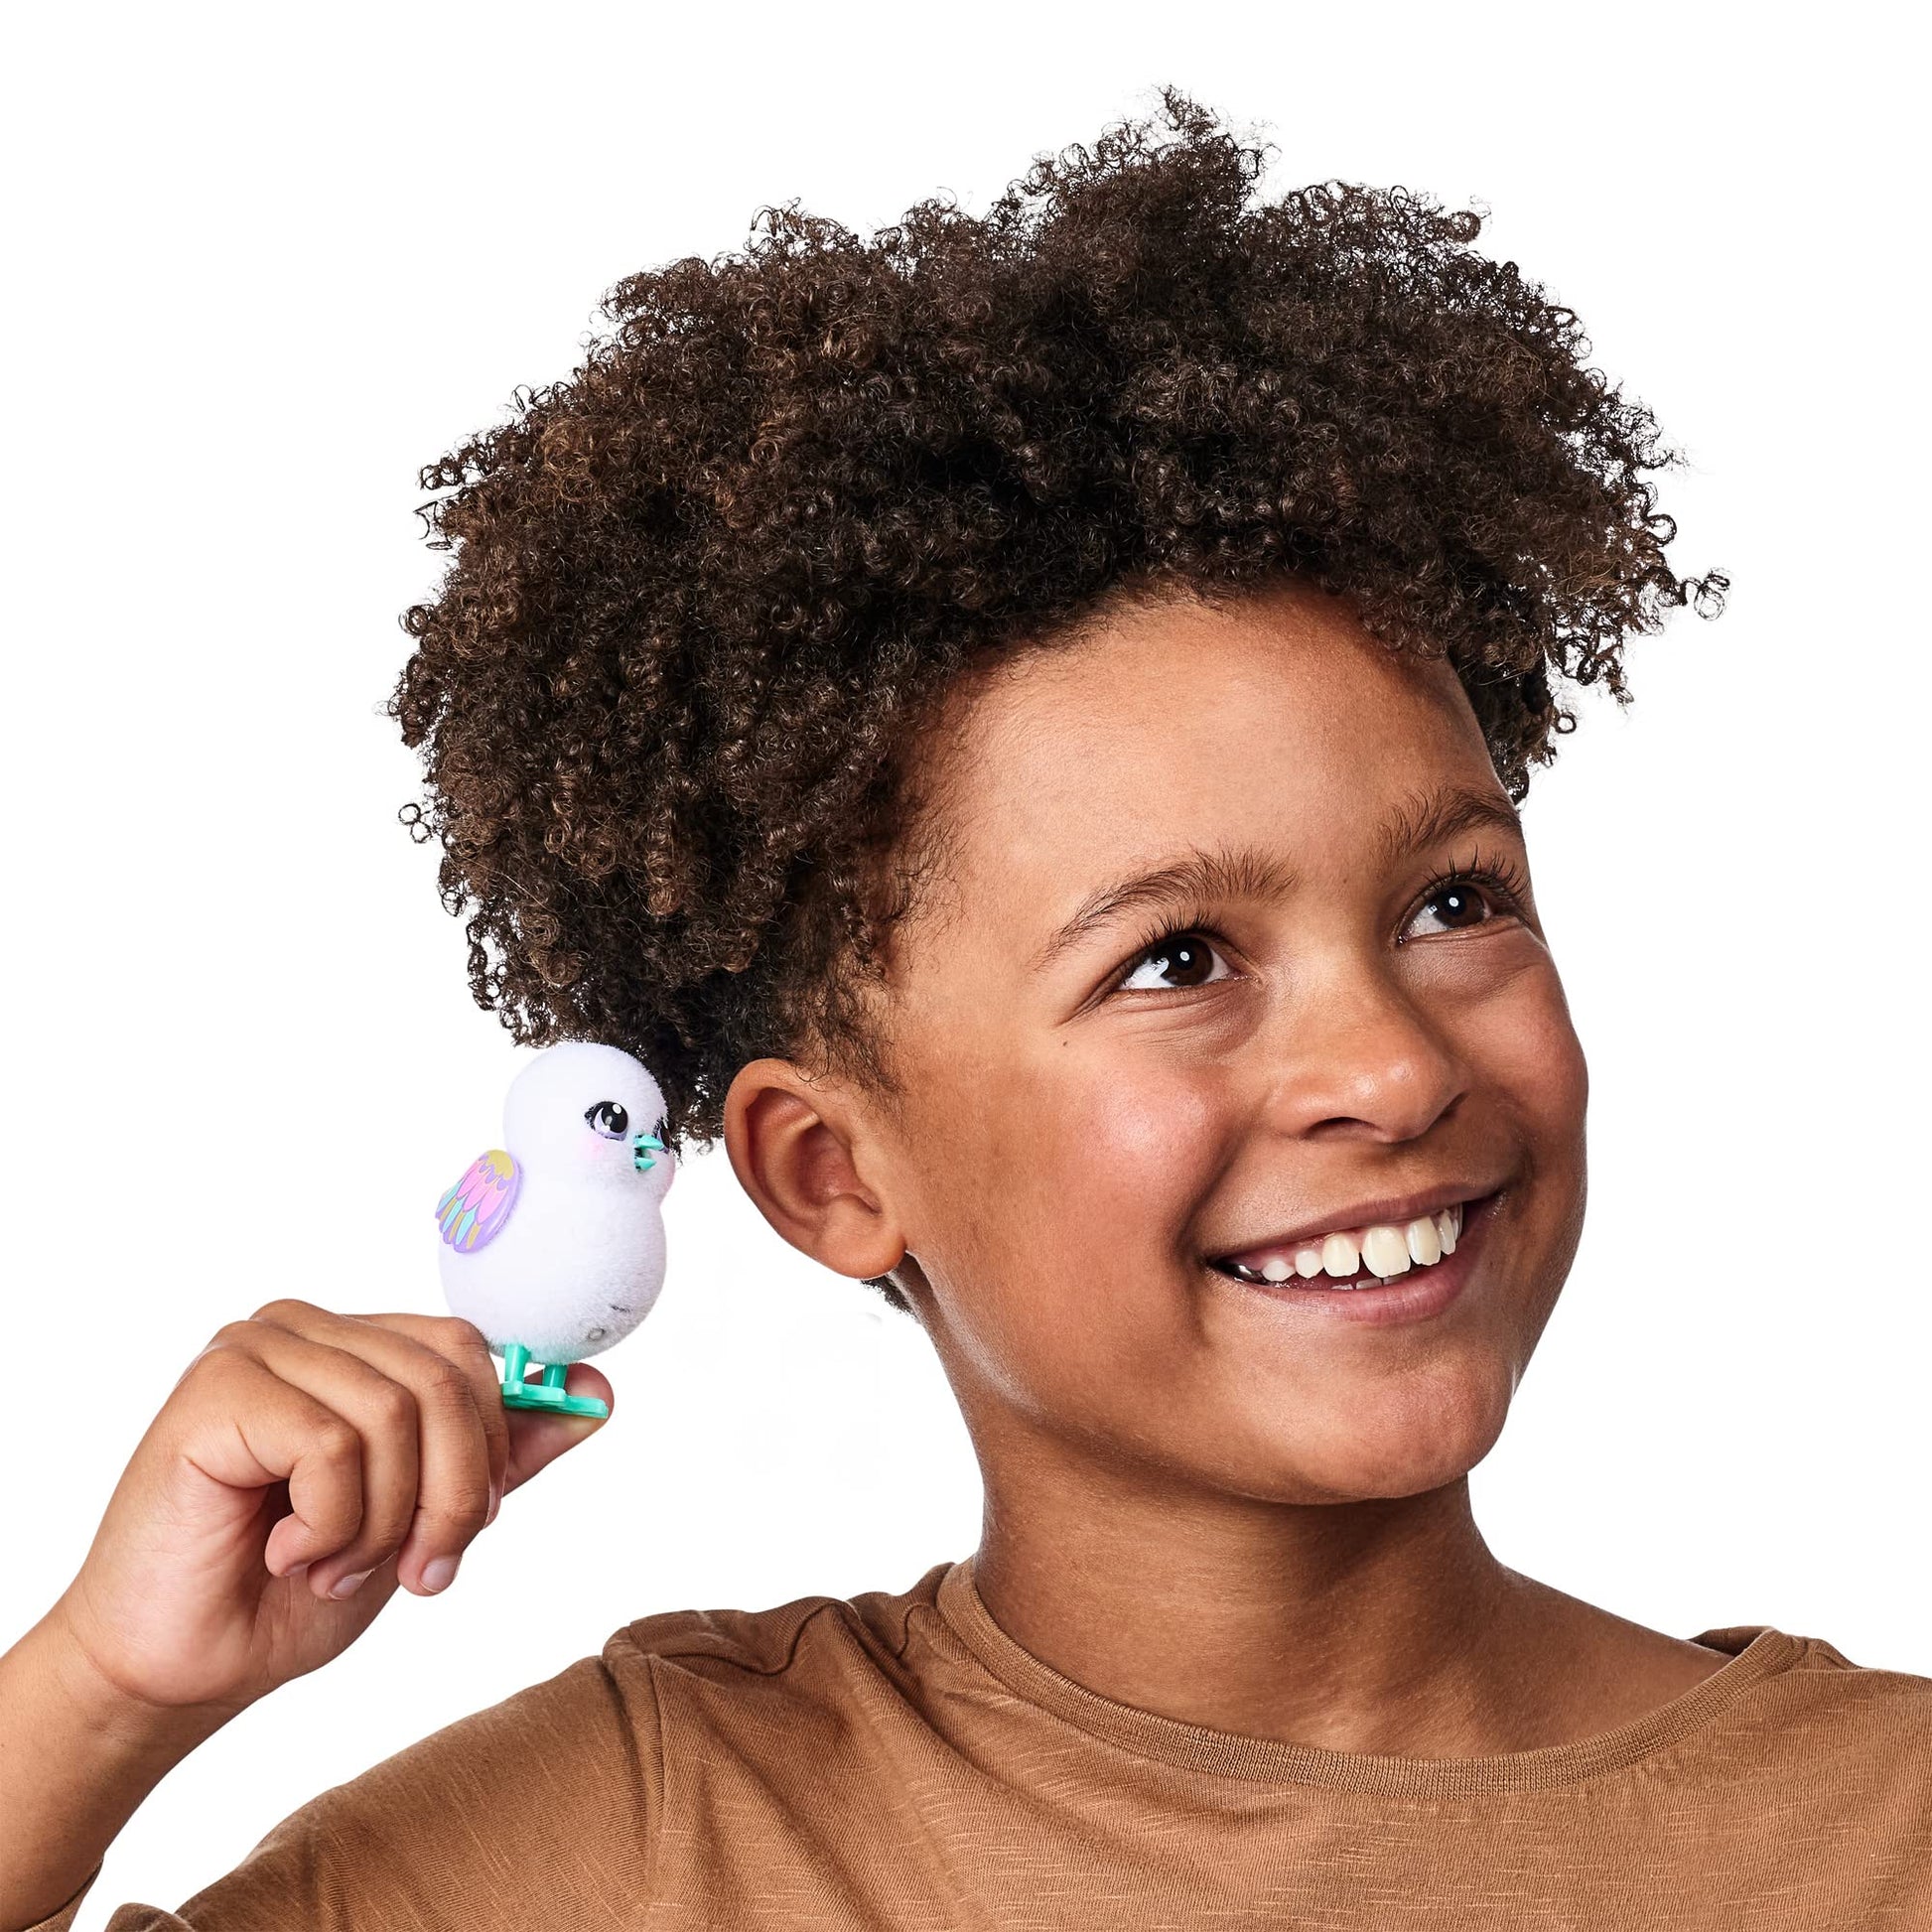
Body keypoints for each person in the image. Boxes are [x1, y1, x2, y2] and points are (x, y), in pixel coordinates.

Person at [4, 91, 1926, 1931]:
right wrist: (101, 1691)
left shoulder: (1881, 1831)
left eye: (1452, 901)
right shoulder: (653, 1839)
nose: (1390, 1065)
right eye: (1176, 959)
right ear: (829, 1171)